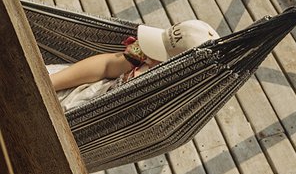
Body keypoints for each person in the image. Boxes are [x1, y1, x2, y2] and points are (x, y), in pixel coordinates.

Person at [48, 18, 220, 112]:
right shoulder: (143, 54)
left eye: (159, 55)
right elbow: (108, 65)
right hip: (81, 90)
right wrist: (51, 82)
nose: (149, 57)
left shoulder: (172, 99)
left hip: (92, 119)